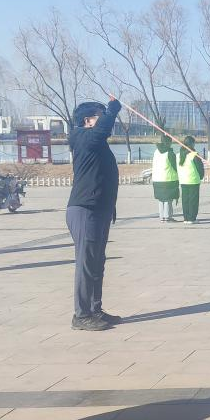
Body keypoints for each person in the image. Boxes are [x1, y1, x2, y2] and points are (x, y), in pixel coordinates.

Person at [66, 98, 122, 331]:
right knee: (86, 263)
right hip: (84, 209)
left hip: (100, 208)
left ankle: (94, 309)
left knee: (98, 262)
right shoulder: (81, 136)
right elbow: (101, 131)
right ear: (88, 121)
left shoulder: (97, 142)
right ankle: (81, 315)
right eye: (100, 116)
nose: (105, 121)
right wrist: (113, 110)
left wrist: (110, 206)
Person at [151, 135, 179, 223]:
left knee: (161, 199)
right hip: (168, 179)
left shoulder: (156, 151)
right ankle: (167, 217)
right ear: (169, 143)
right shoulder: (169, 153)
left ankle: (162, 217)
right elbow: (175, 166)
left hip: (156, 179)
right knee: (168, 199)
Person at [177, 136, 205, 224]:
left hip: (183, 180)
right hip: (193, 180)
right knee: (193, 200)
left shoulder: (179, 155)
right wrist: (201, 176)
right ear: (192, 144)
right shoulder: (194, 154)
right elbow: (200, 167)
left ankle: (186, 218)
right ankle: (192, 218)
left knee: (185, 200)